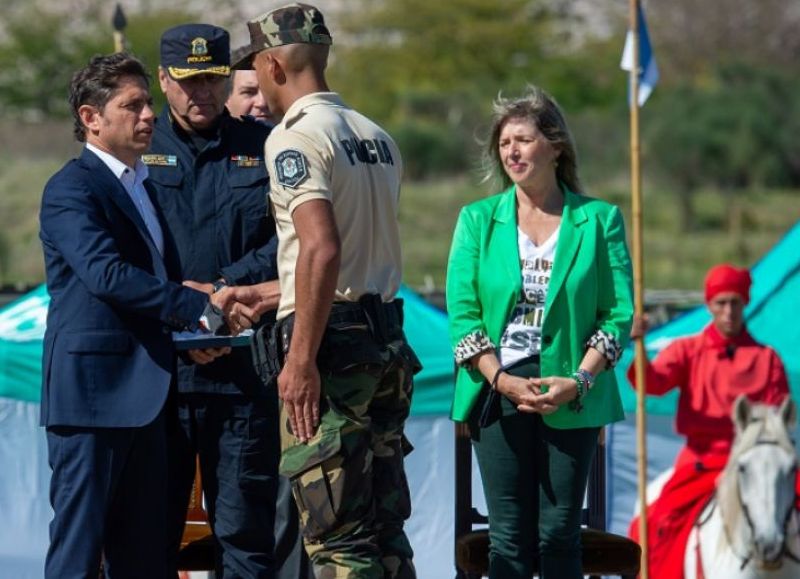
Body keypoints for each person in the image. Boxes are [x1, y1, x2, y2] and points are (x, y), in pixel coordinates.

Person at [225, 4, 422, 577]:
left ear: (272, 65)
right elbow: (359, 252)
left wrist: (301, 358)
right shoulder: (375, 135)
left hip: (332, 353)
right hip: (385, 340)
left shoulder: (294, 138)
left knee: (337, 538)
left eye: (256, 71)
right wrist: (270, 292)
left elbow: (323, 248)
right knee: (387, 533)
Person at [38, 52, 223, 579]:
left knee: (143, 559)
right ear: (91, 117)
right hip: (92, 402)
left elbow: (152, 282)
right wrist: (194, 309)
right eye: (133, 105)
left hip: (149, 400)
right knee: (79, 554)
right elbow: (106, 275)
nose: (149, 116)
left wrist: (191, 330)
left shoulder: (141, 185)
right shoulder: (71, 188)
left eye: (149, 104)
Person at [446, 85, 634, 579]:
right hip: (498, 388)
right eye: (505, 142)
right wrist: (499, 378)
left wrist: (581, 380)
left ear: (555, 146)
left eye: (523, 140)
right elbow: (463, 314)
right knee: (508, 538)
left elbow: (618, 315)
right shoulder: (476, 221)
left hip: (572, 391)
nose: (511, 150)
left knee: (558, 534)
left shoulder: (600, 221)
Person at [146, 23, 294, 579]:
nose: (201, 92)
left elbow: (286, 240)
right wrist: (184, 310)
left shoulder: (263, 147)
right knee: (150, 535)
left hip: (240, 377)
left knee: (244, 537)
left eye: (211, 80)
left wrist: (223, 291)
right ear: (164, 80)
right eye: (188, 81)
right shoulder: (140, 150)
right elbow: (126, 251)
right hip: (158, 381)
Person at [627, 263, 791, 579]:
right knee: (657, 519)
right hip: (702, 461)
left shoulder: (767, 359)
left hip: (756, 463)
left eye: (736, 303)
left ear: (745, 304)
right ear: (709, 305)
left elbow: (777, 420)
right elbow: (653, 383)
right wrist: (638, 346)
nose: (729, 311)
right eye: (721, 303)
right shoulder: (688, 350)